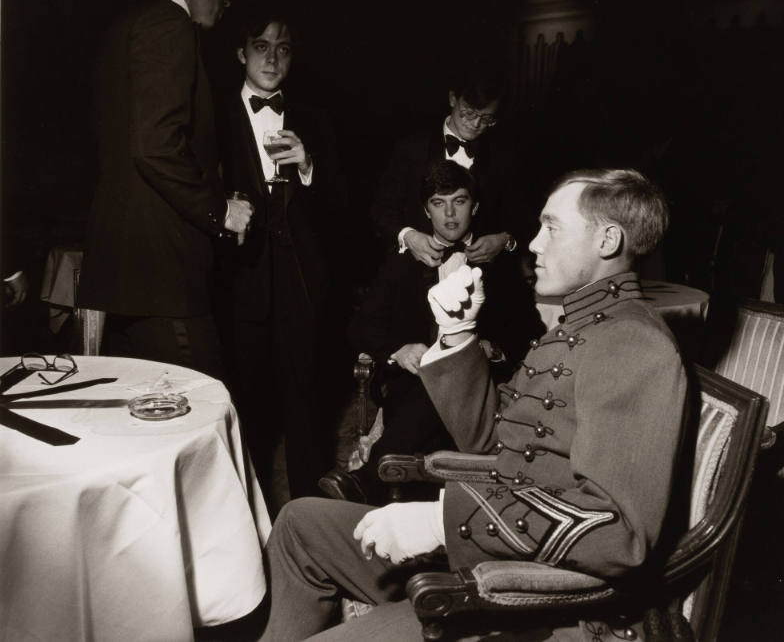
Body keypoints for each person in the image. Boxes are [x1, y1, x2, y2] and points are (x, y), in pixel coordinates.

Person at [263, 168, 688, 641]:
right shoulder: (581, 327)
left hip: (532, 601)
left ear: (608, 240)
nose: (533, 244)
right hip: (495, 548)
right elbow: (492, 441)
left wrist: (442, 522)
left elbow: (620, 533)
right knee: (299, 522)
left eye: (552, 227)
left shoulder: (631, 342)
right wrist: (459, 333)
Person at [78, 0, 252, 379]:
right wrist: (220, 210)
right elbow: (153, 146)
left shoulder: (125, 22)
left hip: (127, 270)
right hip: (164, 271)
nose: (226, 1)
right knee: (205, 403)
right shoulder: (169, 24)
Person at [319, 160, 510, 505]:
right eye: (439, 203)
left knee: (449, 376)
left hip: (478, 394)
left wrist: (490, 348)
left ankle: (366, 479)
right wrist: (398, 350)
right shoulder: (402, 262)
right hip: (411, 390)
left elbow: (527, 330)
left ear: (475, 206)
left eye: (460, 201)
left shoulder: (497, 265)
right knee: (434, 380)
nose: (450, 214)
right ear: (426, 211)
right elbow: (360, 328)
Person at [218, 6, 346, 505]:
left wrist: (309, 166)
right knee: (244, 411)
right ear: (241, 53)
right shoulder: (214, 113)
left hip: (302, 287)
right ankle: (244, 533)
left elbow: (341, 208)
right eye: (262, 45)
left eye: (284, 47)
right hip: (239, 283)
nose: (272, 58)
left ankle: (310, 534)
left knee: (307, 414)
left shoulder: (315, 119)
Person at [371, 58, 525, 268]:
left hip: (483, 278)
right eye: (469, 112)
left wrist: (505, 241)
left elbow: (520, 218)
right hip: (417, 274)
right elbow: (381, 210)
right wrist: (408, 236)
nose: (476, 124)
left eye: (487, 118)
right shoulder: (412, 148)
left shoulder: (503, 156)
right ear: (453, 98)